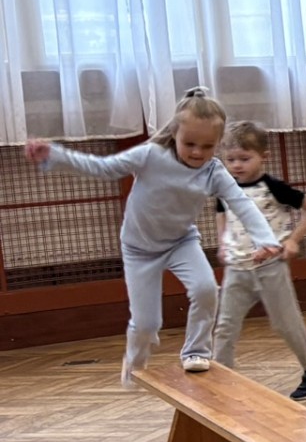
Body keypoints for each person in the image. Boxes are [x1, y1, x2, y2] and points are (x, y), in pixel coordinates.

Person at [26, 88, 281, 383]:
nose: (197, 153)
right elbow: (102, 168)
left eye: (207, 146)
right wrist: (56, 154)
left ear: (218, 144)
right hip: (139, 249)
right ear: (174, 133)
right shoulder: (150, 156)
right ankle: (135, 361)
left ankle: (196, 351)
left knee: (206, 289)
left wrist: (266, 239)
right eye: (190, 144)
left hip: (181, 242)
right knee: (146, 324)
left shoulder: (213, 171)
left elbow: (241, 204)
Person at [211, 121, 306, 400]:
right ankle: (220, 380)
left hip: (270, 268)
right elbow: (221, 212)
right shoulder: (225, 188)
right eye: (230, 160)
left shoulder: (273, 187)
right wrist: (222, 243)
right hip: (237, 269)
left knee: (286, 323)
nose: (237, 165)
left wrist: (293, 240)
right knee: (225, 325)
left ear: (263, 156)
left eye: (244, 158)